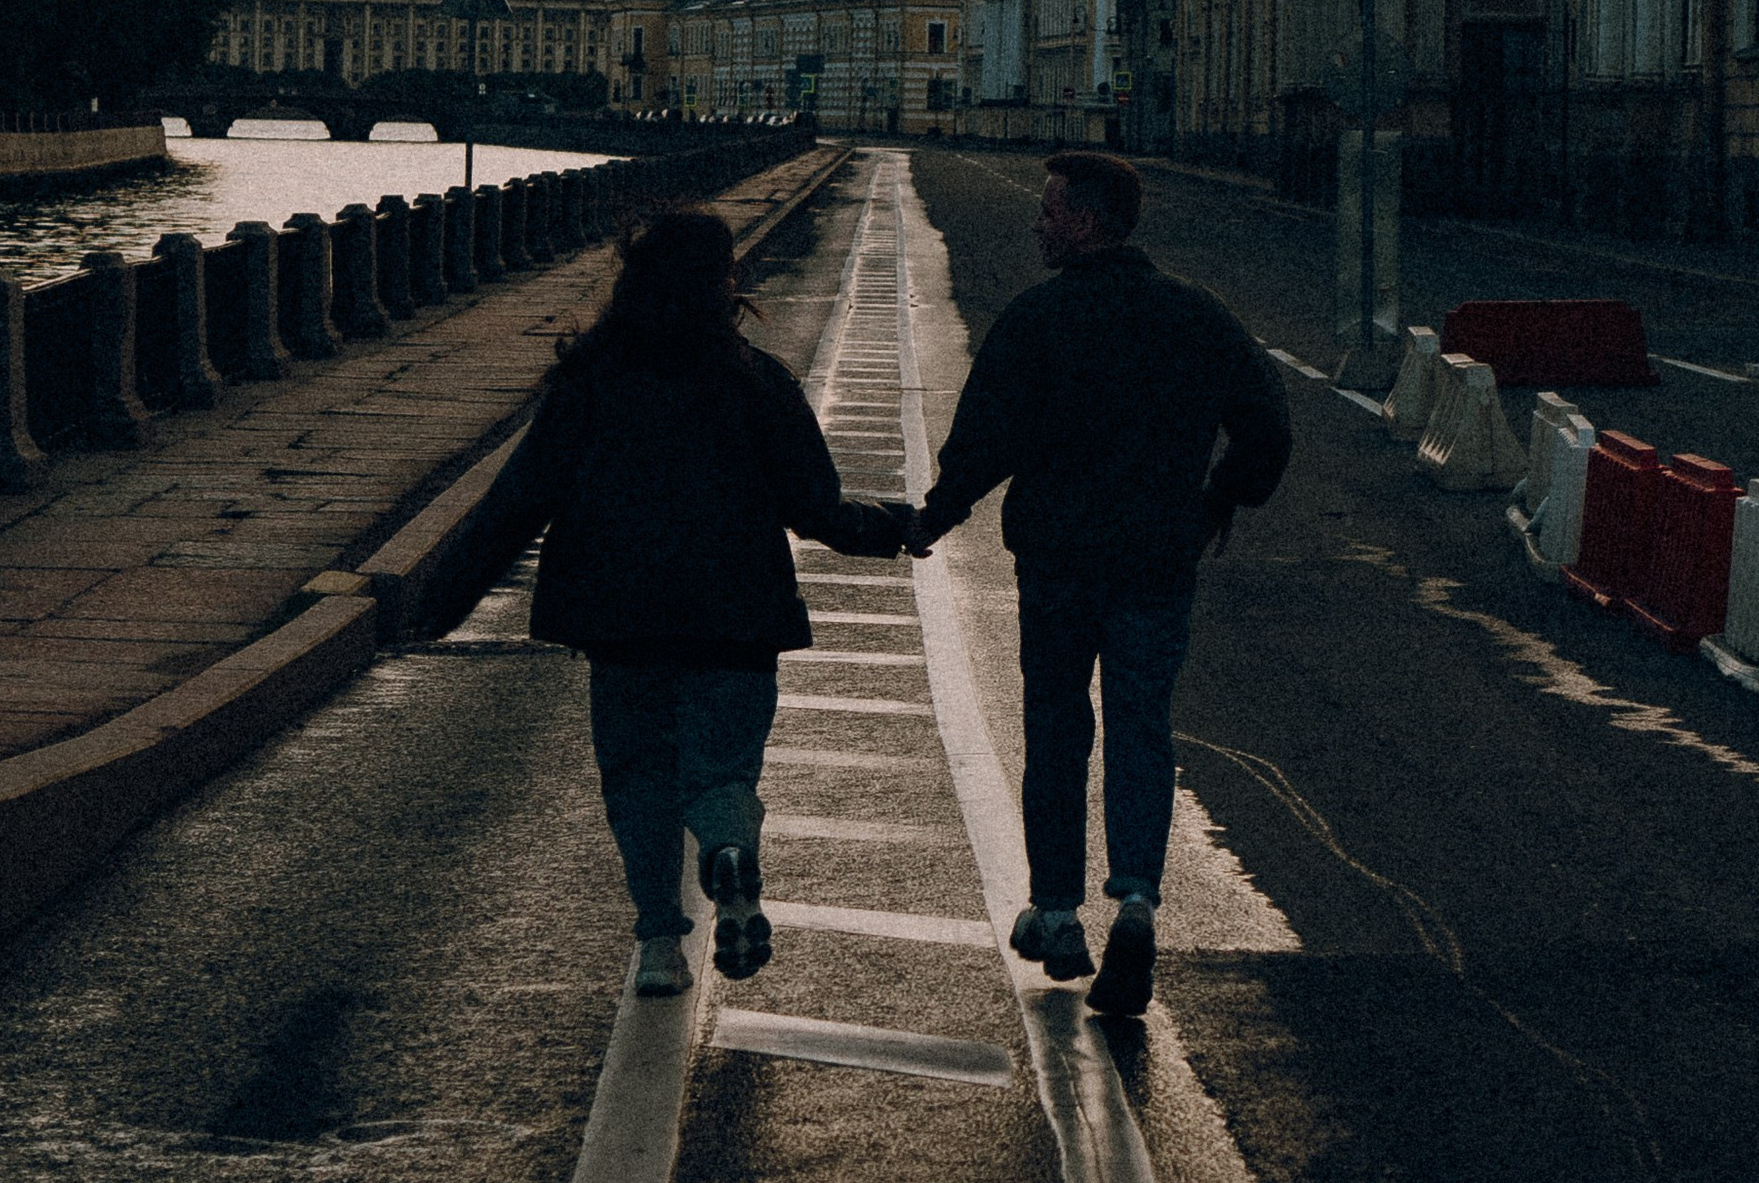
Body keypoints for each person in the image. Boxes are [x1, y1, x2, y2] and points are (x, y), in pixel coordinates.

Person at [431, 205, 906, 993]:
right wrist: (893, 526)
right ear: (722, 284)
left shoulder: (589, 380)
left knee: (638, 779)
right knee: (720, 773)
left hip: (620, 621)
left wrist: (444, 602)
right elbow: (816, 508)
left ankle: (658, 946)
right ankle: (727, 854)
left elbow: (518, 500)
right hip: (737, 619)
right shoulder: (757, 381)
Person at [907, 150, 1289, 1019]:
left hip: (1059, 562)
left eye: (1050, 211)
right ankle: (1139, 901)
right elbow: (1266, 429)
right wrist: (1218, 499)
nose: (1038, 223)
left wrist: (937, 515)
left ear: (1085, 221)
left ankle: (1056, 913)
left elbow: (987, 437)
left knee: (1056, 724)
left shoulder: (1039, 319)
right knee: (1141, 723)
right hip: (1158, 559)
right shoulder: (1199, 316)